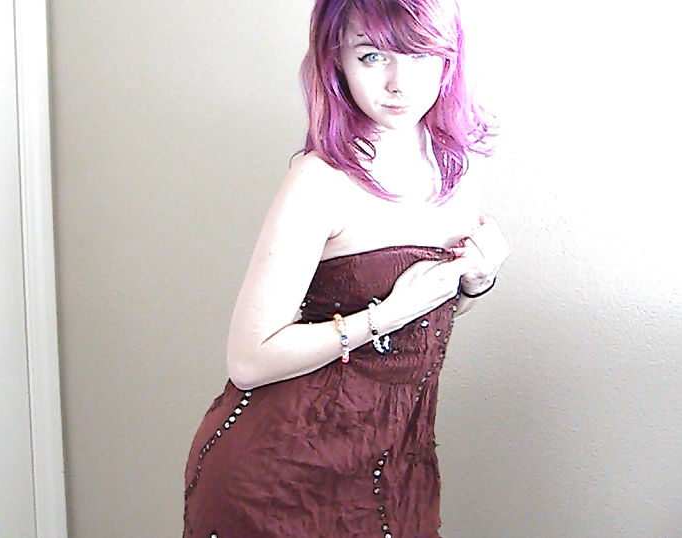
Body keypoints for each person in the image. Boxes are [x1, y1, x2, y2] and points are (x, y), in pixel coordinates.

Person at [183, 0, 509, 536]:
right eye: (372, 56)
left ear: (449, 59)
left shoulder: (459, 169)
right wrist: (386, 314)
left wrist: (475, 282)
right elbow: (248, 359)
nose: (399, 83)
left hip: (395, 463)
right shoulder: (321, 180)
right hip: (279, 478)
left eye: (420, 55)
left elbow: (421, 321)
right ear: (336, 60)